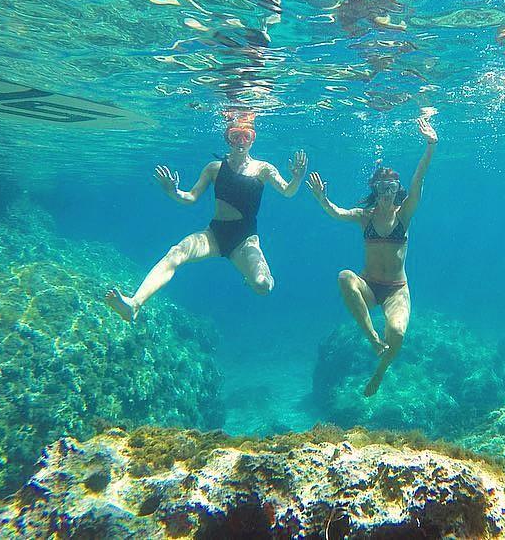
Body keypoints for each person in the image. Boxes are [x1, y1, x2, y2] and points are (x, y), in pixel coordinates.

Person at [105, 113, 307, 322]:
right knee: (176, 253)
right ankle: (134, 304)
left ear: (253, 139)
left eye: (246, 136)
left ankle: (252, 278)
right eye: (235, 135)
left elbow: (288, 191)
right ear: (228, 138)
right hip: (214, 234)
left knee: (262, 285)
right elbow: (191, 197)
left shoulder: (264, 169)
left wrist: (297, 178)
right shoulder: (214, 168)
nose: (241, 141)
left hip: (245, 240)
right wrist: (173, 191)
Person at [307, 118, 437, 396]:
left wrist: (430, 146)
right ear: (375, 191)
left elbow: (418, 180)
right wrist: (321, 198)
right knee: (345, 276)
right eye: (382, 188)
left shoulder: (404, 214)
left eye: (392, 187)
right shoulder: (364, 216)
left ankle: (380, 372)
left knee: (398, 333)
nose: (387, 193)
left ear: (397, 189)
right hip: (369, 285)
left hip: (396, 290)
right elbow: (337, 212)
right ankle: (373, 338)